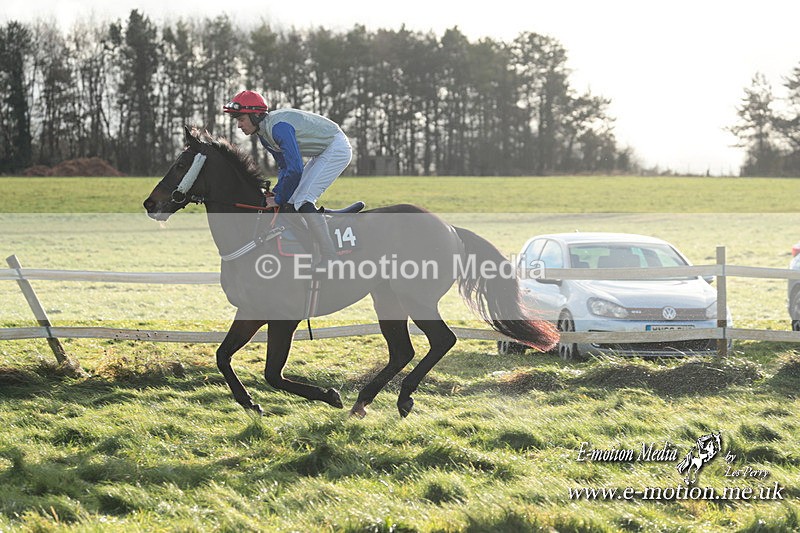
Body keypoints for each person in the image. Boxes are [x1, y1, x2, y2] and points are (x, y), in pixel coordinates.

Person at [222, 89, 352, 272]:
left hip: (336, 147)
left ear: (256, 116)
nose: (238, 126)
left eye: (241, 119)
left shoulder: (278, 128)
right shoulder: (264, 135)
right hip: (322, 152)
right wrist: (278, 192)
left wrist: (279, 197)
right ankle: (311, 242)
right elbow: (284, 167)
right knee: (291, 201)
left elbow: (296, 169)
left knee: (303, 200)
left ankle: (330, 256)